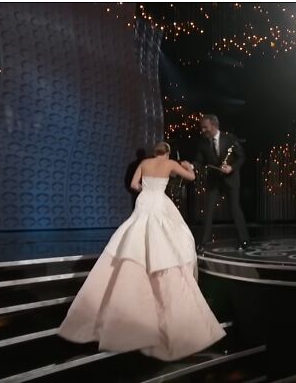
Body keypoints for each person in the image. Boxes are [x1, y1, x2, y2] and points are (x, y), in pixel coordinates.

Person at [58, 142, 225, 360]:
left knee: (136, 233)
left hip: (144, 200)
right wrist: (188, 166)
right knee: (167, 237)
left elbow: (133, 184)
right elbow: (191, 178)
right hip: (159, 202)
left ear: (155, 152)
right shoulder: (170, 164)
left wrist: (146, 190)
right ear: (166, 153)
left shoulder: (144, 163)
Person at [191, 114, 249, 253]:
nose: (203, 130)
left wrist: (231, 168)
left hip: (231, 179)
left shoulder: (229, 138)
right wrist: (191, 166)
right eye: (202, 128)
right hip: (214, 181)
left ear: (214, 125)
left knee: (235, 209)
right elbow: (199, 161)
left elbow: (241, 157)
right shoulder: (203, 143)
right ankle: (203, 243)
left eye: (205, 127)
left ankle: (244, 240)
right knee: (208, 212)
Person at [124, 147, 147, 211]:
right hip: (143, 192)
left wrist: (132, 190)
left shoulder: (132, 165)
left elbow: (127, 181)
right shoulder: (149, 165)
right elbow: (128, 180)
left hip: (136, 192)